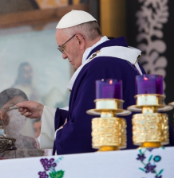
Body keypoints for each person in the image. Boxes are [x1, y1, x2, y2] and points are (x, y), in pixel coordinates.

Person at [16, 10, 161, 155]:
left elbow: (83, 133)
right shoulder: (117, 59)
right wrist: (45, 112)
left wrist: (53, 140)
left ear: (79, 40)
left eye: (63, 48)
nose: (63, 56)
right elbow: (93, 119)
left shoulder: (100, 67)